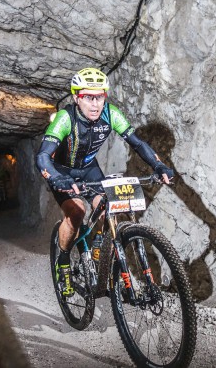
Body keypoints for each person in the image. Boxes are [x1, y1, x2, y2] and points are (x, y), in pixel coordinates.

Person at [35, 67, 174, 297]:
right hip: (62, 171)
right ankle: (63, 262)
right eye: (89, 97)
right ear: (76, 97)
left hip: (89, 170)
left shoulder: (111, 114)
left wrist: (158, 166)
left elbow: (138, 144)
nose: (95, 103)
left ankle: (98, 246)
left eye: (99, 96)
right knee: (77, 212)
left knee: (109, 206)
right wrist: (58, 178)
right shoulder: (65, 118)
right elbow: (42, 156)